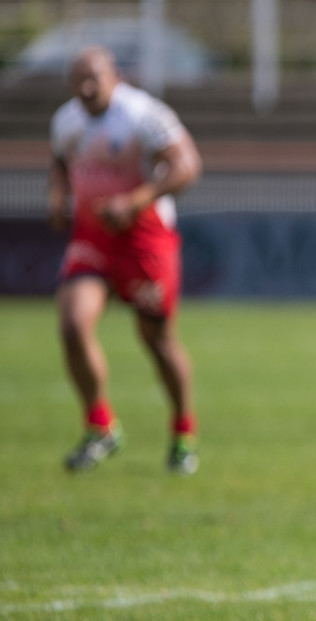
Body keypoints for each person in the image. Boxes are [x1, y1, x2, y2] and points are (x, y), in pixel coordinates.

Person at [48, 45, 203, 475]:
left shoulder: (143, 114)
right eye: (77, 81)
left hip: (144, 241)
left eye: (93, 78)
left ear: (115, 76)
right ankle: (100, 427)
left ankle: (183, 431)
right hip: (93, 238)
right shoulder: (65, 120)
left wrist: (135, 201)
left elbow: (187, 166)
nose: (85, 88)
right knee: (73, 325)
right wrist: (58, 197)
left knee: (157, 341)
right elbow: (60, 162)